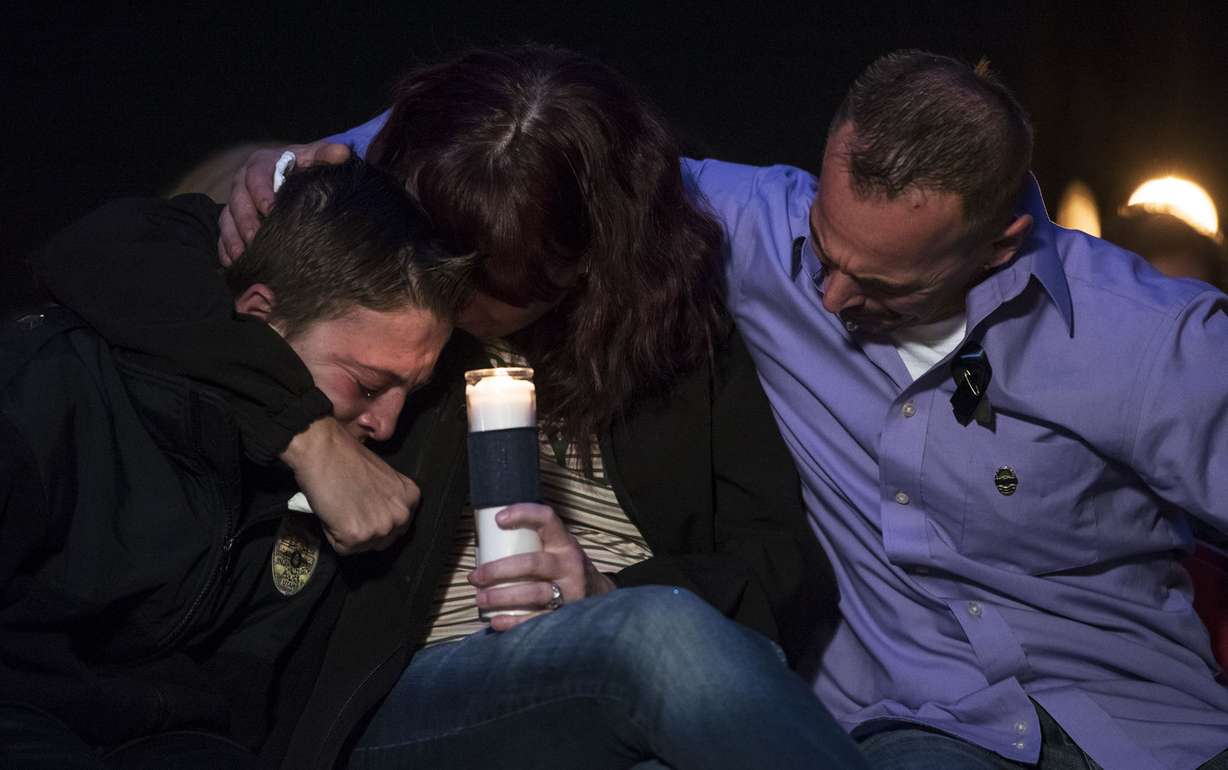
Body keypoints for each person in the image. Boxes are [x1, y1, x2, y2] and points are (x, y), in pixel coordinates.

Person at [34, 46, 864, 769]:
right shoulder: (384, 318)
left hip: (608, 669)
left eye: (486, 283)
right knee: (647, 643)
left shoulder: (672, 331)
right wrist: (306, 427)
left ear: (580, 266)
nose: (445, 289)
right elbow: (110, 252)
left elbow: (783, 565)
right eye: (436, 250)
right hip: (404, 692)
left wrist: (613, 587)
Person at [677, 51, 1228, 769]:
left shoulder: (1149, 340)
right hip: (926, 732)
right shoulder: (752, 229)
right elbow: (577, 152)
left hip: (1150, 731)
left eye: (880, 284)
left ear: (998, 249)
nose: (831, 299)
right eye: (822, 246)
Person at [0, 159, 455, 768]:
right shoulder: (52, 389)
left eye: (411, 393)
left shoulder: (333, 489)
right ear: (259, 318)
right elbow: (121, 239)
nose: (387, 424)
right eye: (368, 386)